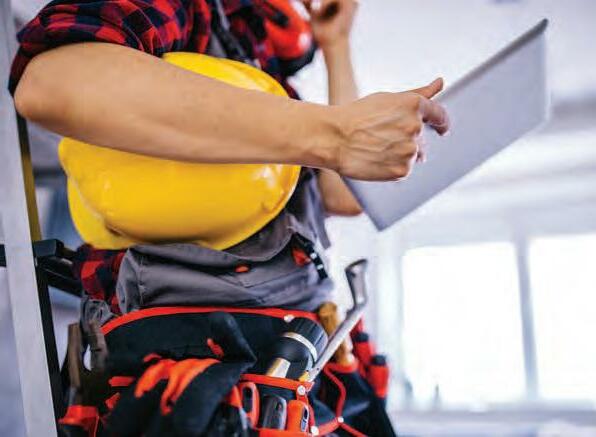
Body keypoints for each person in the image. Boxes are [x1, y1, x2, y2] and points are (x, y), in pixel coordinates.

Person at [10, 0, 449, 434]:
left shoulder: (256, 56)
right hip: (200, 360)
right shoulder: (186, 11)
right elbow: (52, 84)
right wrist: (335, 134)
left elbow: (341, 194)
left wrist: (336, 48)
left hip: (304, 351)